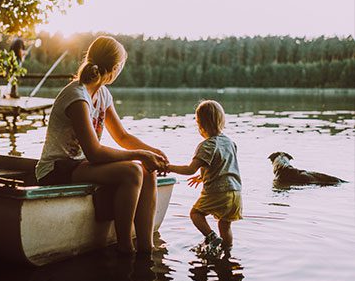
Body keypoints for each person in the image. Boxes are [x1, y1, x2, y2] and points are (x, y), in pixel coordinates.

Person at [35, 35, 167, 254]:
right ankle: (125, 247)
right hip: (56, 169)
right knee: (133, 171)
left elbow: (122, 136)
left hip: (81, 166)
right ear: (114, 68)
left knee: (147, 170)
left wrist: (152, 153)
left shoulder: (103, 94)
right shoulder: (77, 96)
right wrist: (139, 155)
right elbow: (95, 152)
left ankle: (146, 248)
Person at [167, 100, 242, 251]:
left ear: (200, 124)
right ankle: (227, 252)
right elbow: (223, 166)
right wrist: (202, 177)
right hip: (236, 193)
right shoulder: (230, 142)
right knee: (225, 224)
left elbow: (190, 169)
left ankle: (211, 236)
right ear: (222, 120)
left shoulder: (207, 145)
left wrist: (168, 167)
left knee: (196, 214)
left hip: (218, 192)